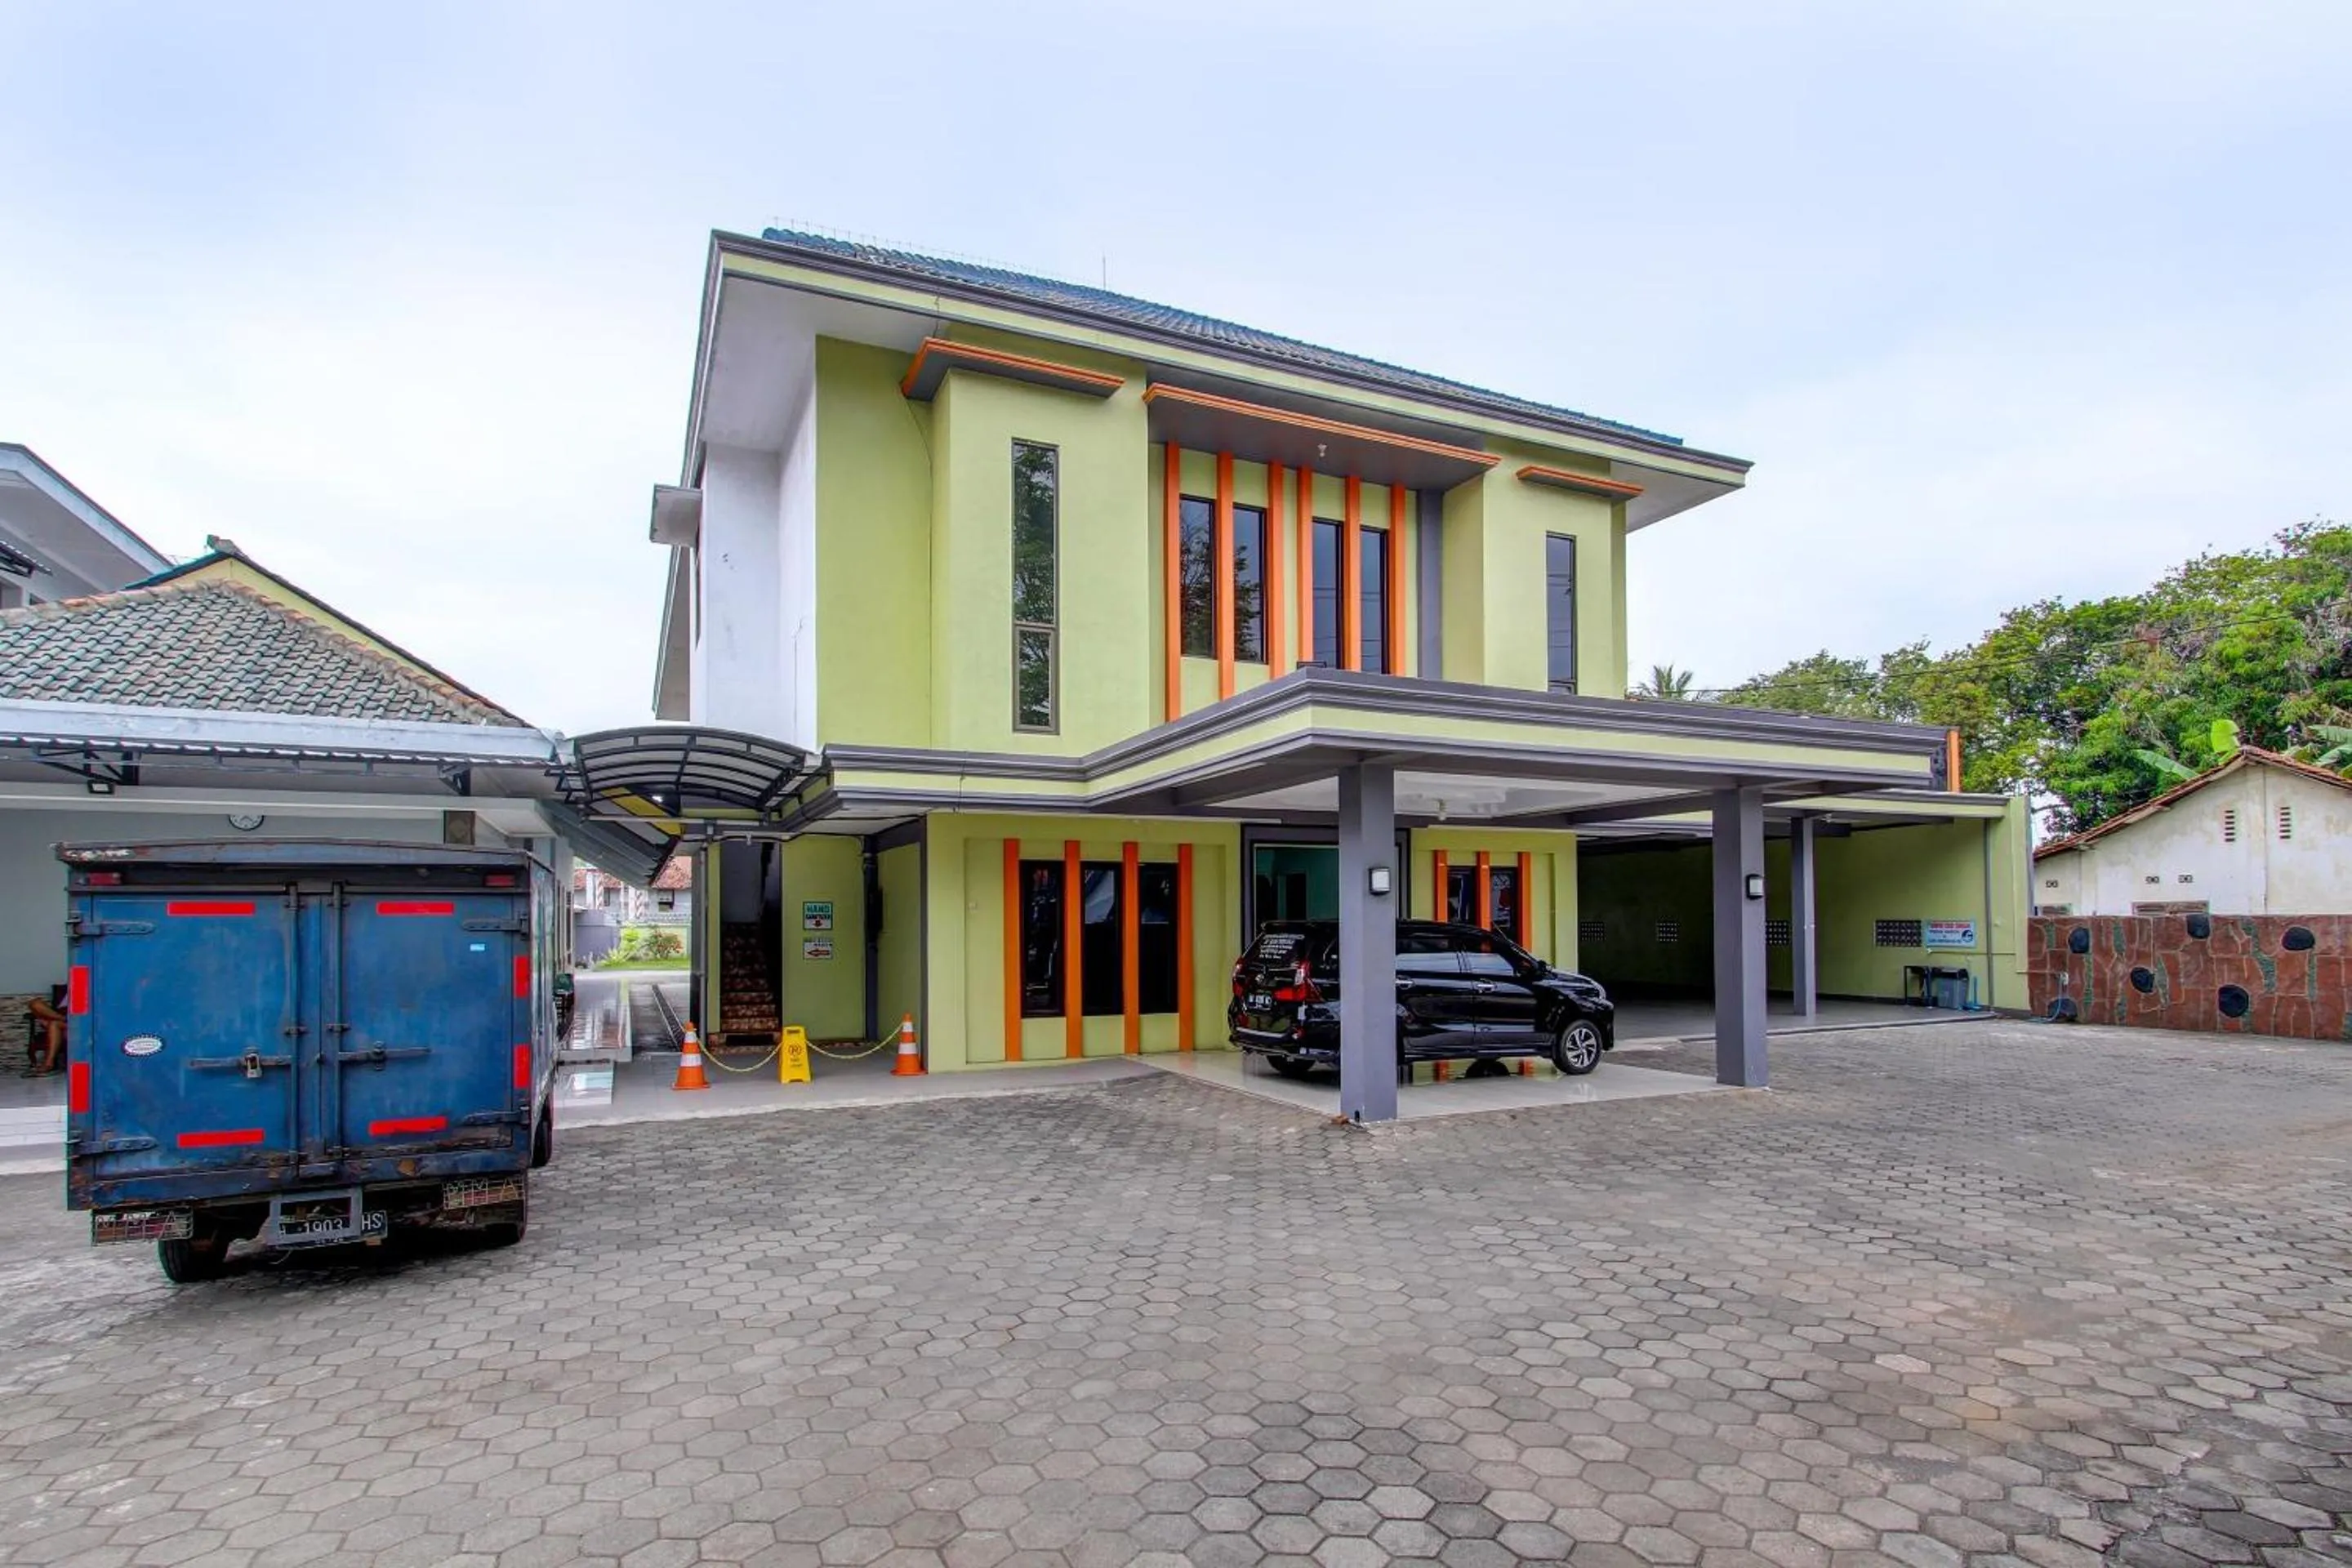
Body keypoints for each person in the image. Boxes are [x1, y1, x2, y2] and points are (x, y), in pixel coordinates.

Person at [25, 994, 65, 1076]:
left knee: (54, 1024)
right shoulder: (72, 990)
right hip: (60, 1015)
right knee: (34, 1003)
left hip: (76, 1018)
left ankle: (48, 1063)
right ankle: (63, 1019)